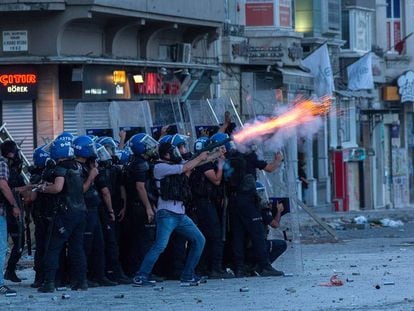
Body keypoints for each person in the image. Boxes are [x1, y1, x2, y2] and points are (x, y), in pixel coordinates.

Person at [133, 142, 208, 287]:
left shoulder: (173, 164)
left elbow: (195, 163)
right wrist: (200, 158)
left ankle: (187, 275)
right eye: (173, 151)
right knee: (160, 245)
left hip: (180, 213)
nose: (177, 153)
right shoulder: (159, 167)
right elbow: (187, 166)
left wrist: (215, 154)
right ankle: (141, 276)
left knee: (199, 240)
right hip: (167, 213)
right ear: (166, 154)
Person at [215, 132, 284, 278]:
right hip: (247, 201)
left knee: (238, 235)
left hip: (233, 202)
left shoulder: (230, 155)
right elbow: (270, 168)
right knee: (258, 233)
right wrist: (278, 160)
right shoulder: (249, 156)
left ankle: (239, 268)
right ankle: (265, 266)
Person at [37, 138, 88, 292]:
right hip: (80, 212)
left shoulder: (61, 167)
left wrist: (43, 188)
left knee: (53, 247)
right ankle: (81, 282)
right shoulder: (78, 166)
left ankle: (49, 283)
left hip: (65, 213)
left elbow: (58, 188)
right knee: (77, 248)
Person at [73, 136, 116, 287]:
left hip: (94, 209)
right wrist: (91, 176)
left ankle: (100, 274)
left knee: (99, 244)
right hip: (85, 210)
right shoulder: (76, 167)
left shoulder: (88, 165)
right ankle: (83, 277)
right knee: (86, 245)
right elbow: (80, 191)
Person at [190, 136, 232, 279]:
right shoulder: (203, 164)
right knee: (215, 236)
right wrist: (220, 164)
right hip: (204, 204)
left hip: (205, 203)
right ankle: (215, 269)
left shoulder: (198, 162)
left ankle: (204, 267)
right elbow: (216, 180)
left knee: (207, 236)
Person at [121, 133, 159, 277]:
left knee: (137, 239)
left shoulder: (133, 161)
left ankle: (137, 270)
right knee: (145, 240)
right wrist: (148, 207)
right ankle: (144, 271)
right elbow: (140, 187)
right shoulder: (140, 164)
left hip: (134, 205)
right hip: (140, 206)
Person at [1, 141, 25, 283]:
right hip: (8, 212)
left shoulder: (15, 172)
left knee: (18, 244)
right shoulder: (3, 166)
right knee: (7, 246)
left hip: (9, 212)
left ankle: (9, 271)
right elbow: (5, 187)